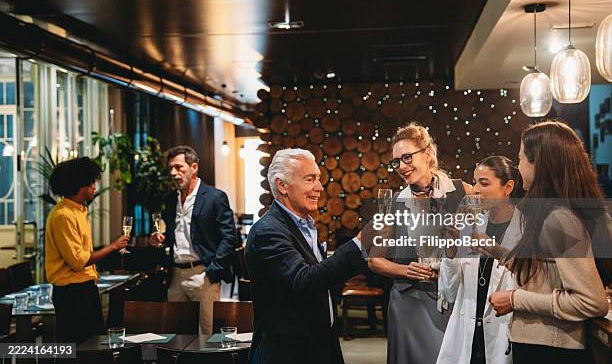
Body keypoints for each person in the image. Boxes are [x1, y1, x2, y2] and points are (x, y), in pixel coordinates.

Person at [489, 121, 609, 364]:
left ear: (540, 164)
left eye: (521, 159)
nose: (518, 167)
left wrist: (514, 299)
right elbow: (549, 271)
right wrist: (496, 251)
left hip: (551, 352)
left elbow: (590, 301)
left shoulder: (559, 220)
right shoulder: (557, 214)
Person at [245, 148, 367, 364]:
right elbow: (305, 281)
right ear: (282, 185)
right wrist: (359, 243)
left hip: (320, 344)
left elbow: (323, 281)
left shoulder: (305, 225)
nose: (319, 188)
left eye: (318, 179)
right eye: (310, 179)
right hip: (288, 353)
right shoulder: (268, 232)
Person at [367, 122, 472, 364]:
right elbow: (374, 260)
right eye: (396, 162)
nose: (401, 167)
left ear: (427, 153)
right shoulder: (393, 203)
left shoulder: (461, 191)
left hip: (454, 301)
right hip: (409, 305)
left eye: (407, 157)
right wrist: (406, 270)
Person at [437, 156, 523, 364]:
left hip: (504, 338)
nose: (475, 189)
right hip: (466, 337)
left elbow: (529, 281)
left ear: (508, 187)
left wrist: (494, 249)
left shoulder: (526, 230)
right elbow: (448, 292)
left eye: (484, 183)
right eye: (474, 181)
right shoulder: (469, 226)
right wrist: (451, 249)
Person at [149, 145, 236, 334]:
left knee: (206, 335)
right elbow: (169, 232)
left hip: (203, 274)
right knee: (176, 334)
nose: (173, 172)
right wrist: (158, 238)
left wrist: (212, 272)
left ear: (194, 167)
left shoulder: (215, 197)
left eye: (179, 167)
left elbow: (229, 237)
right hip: (176, 276)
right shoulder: (171, 199)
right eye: (170, 168)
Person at [45, 157, 129, 343]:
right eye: (92, 183)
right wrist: (113, 246)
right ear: (80, 185)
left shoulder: (78, 211)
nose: (94, 187)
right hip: (71, 293)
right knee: (79, 348)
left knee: (93, 346)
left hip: (84, 289)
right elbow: (78, 261)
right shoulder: (63, 216)